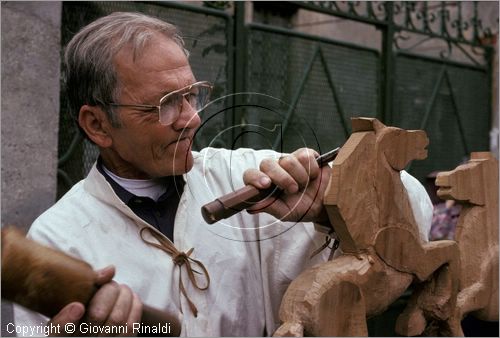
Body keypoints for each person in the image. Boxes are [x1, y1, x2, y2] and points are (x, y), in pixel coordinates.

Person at [13, 12, 432, 337]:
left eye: (192, 94)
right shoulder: (60, 238)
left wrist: (333, 203)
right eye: (165, 105)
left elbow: (415, 210)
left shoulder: (243, 176)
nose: (191, 118)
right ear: (97, 125)